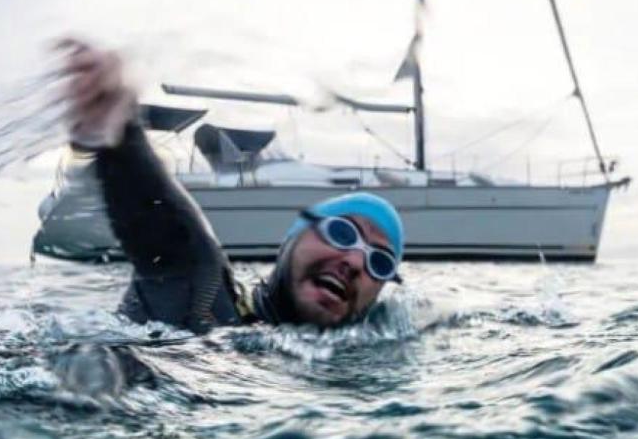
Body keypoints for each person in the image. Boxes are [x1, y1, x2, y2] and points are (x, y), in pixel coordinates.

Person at [53, 40, 405, 333]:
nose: (357, 260)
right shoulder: (208, 303)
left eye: (381, 263)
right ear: (290, 241)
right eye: (342, 233)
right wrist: (122, 134)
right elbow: (179, 249)